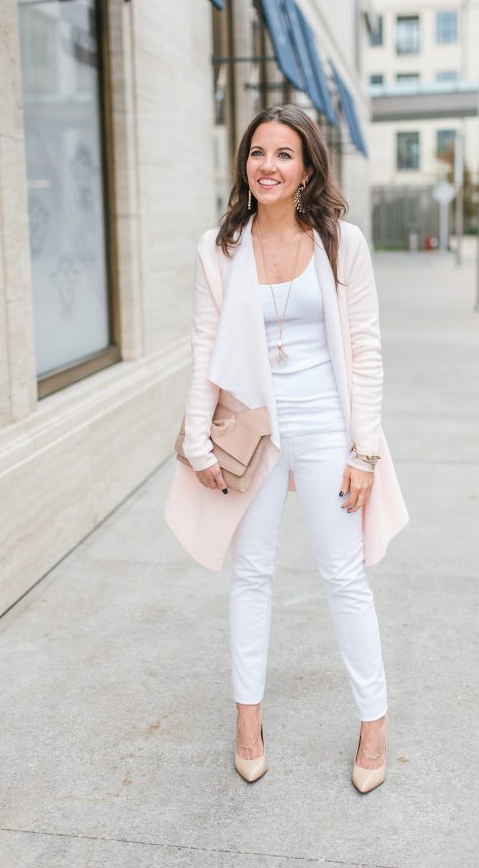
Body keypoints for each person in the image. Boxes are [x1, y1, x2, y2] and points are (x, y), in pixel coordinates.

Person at [163, 104, 409, 793]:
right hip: (252, 429)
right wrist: (194, 439)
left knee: (344, 576)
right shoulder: (219, 246)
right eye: (257, 152)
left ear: (306, 169)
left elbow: (365, 349)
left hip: (329, 424)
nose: (267, 165)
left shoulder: (341, 243)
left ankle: (374, 724)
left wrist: (364, 452)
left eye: (284, 154)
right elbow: (204, 348)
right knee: (252, 575)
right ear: (244, 163)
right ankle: (248, 724)